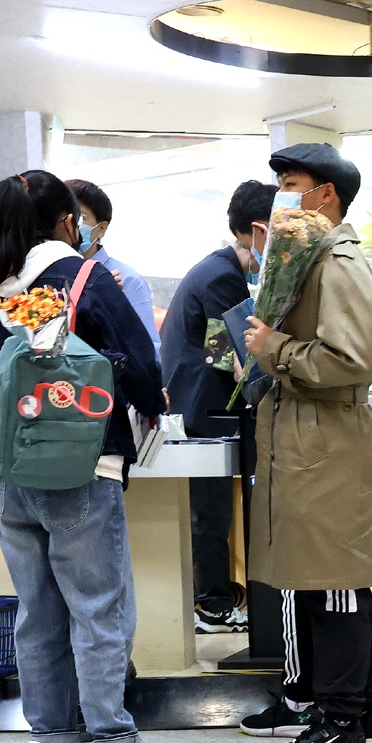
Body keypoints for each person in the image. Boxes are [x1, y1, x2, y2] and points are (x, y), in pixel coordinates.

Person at [0, 170, 179, 743]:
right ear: (69, 223)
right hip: (81, 468)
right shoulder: (82, 276)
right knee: (98, 607)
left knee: (37, 612)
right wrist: (152, 401)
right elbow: (141, 366)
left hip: (12, 469)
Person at [237, 143, 372, 743]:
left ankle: (340, 720)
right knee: (317, 579)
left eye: (292, 184)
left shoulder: (340, 263)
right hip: (305, 435)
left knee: (335, 583)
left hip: (325, 439)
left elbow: (350, 359)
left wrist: (272, 347)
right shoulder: (307, 260)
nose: (281, 195)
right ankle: (361, 711)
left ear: (325, 194)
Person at [164, 178, 271, 633]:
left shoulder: (217, 269)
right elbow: (226, 353)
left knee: (212, 511)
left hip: (205, 407)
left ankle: (218, 598)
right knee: (210, 513)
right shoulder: (221, 277)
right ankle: (212, 604)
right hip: (204, 411)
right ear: (260, 229)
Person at [64, 178, 160, 352]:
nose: (71, 225)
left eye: (81, 217)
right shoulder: (52, 271)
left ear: (101, 229)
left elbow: (148, 347)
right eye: (66, 216)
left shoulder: (128, 279)